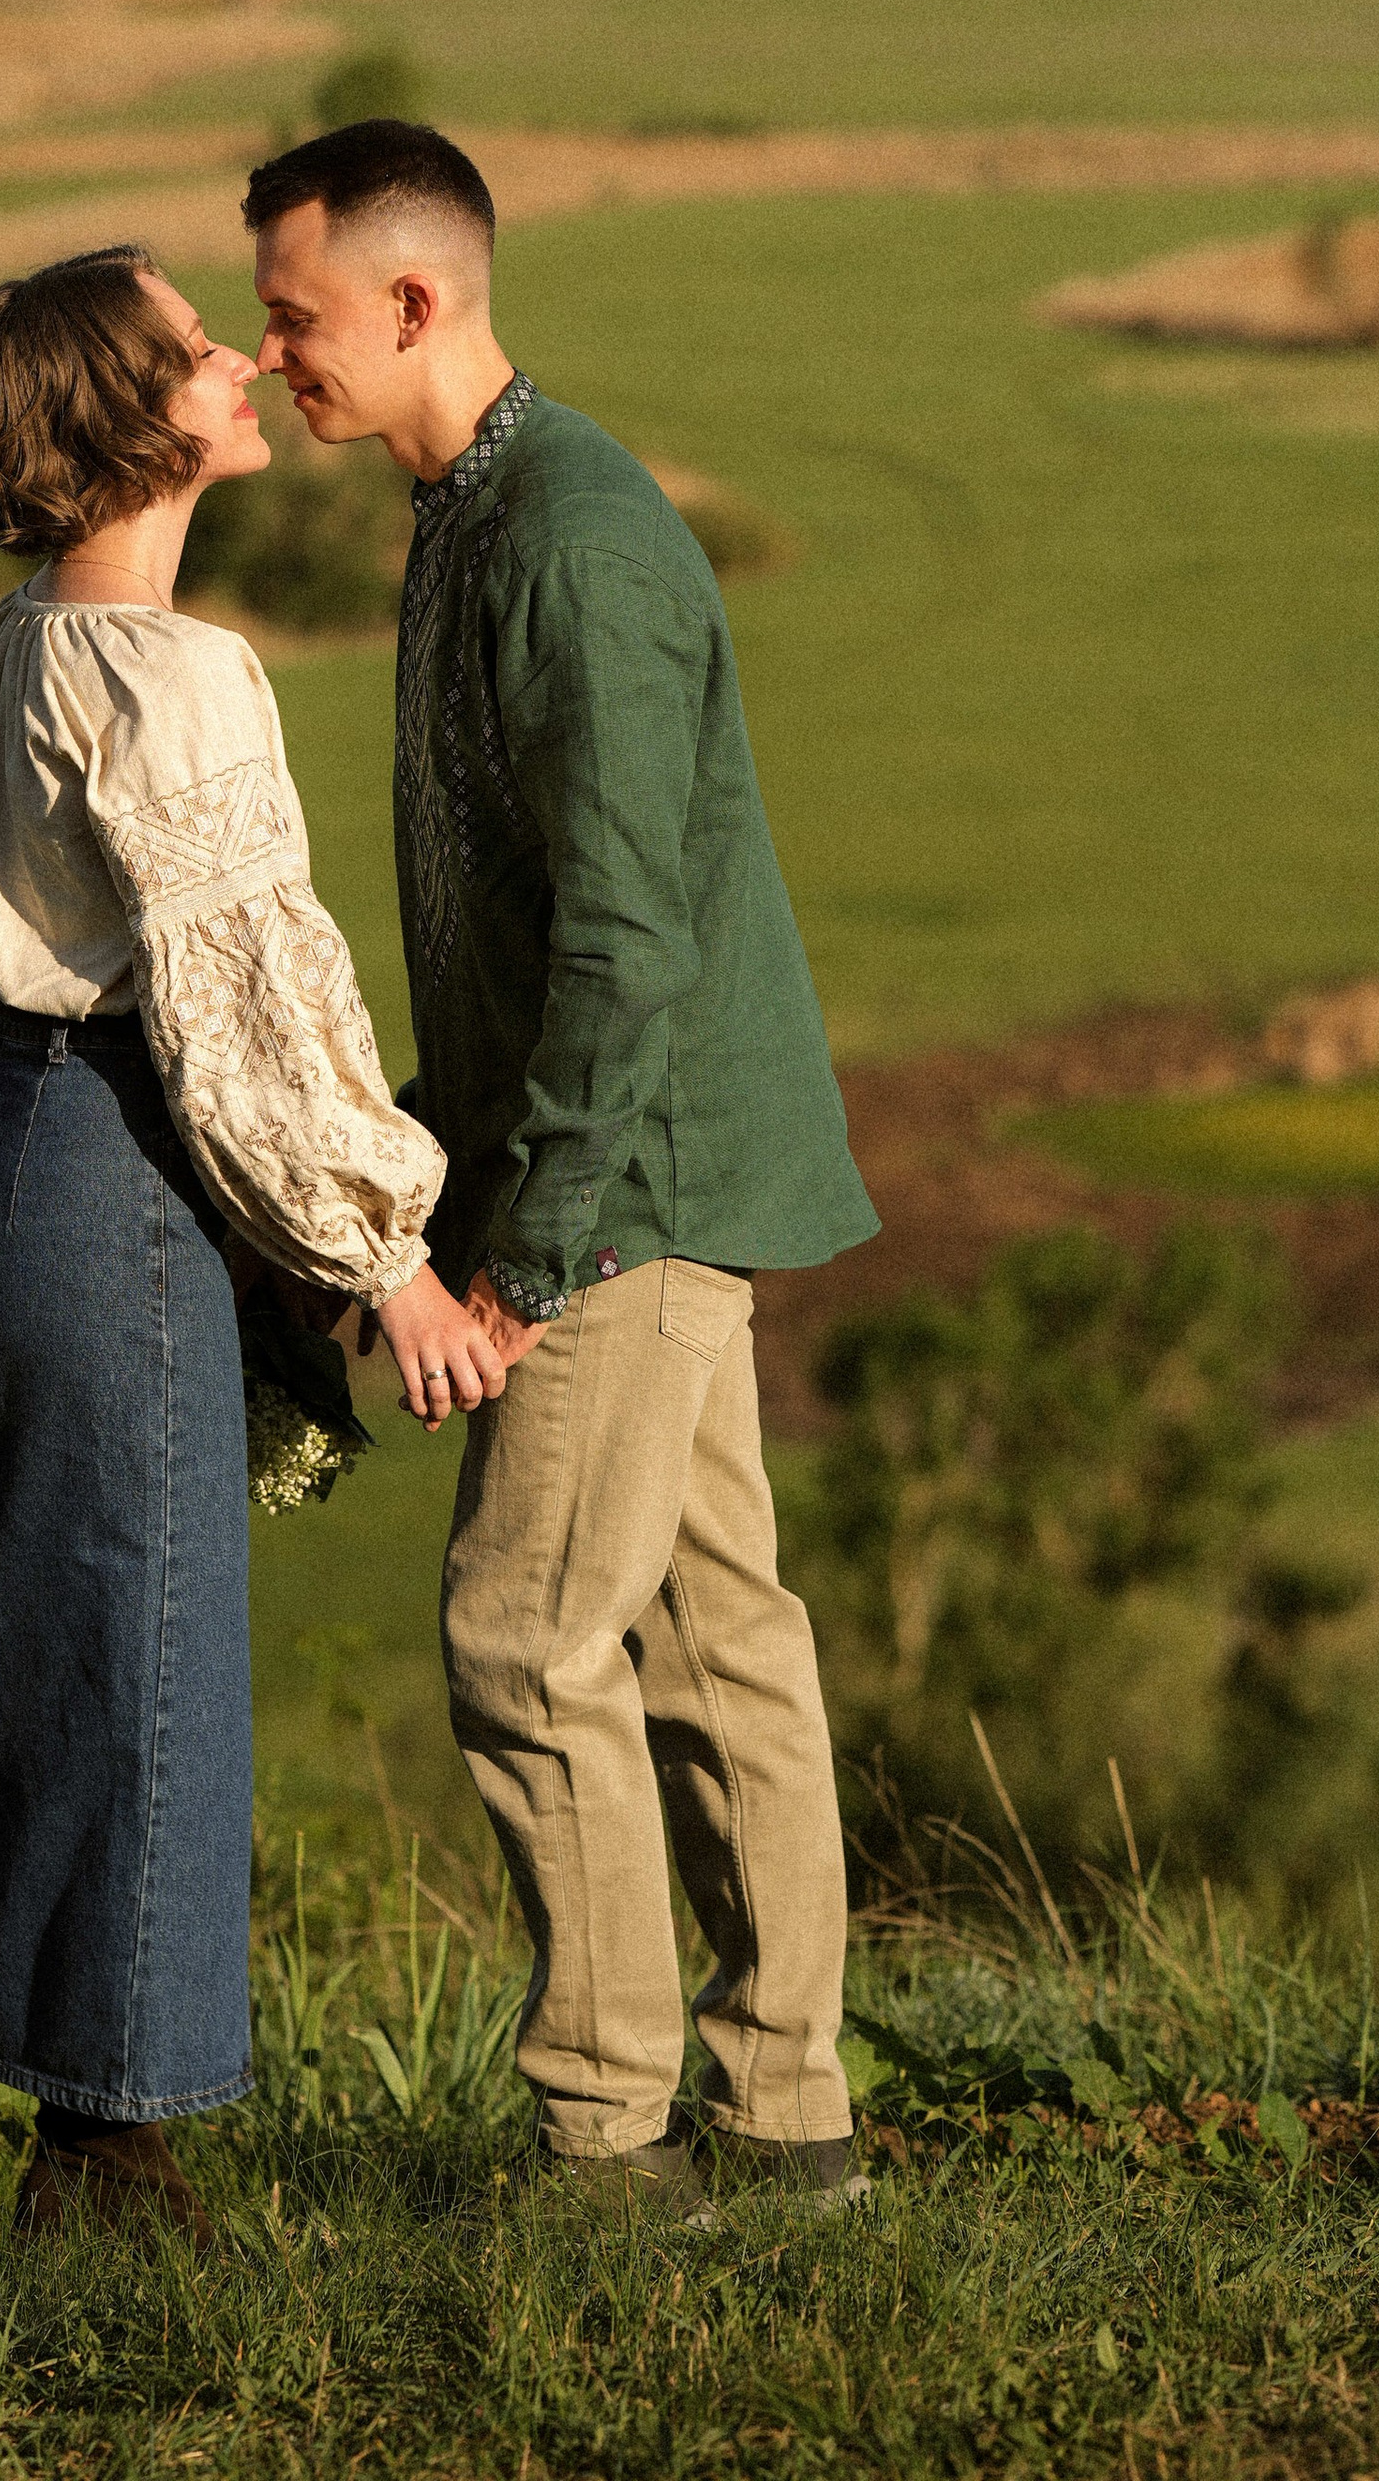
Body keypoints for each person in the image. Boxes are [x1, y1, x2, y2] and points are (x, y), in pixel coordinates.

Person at [0, 245, 501, 2259]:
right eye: (191, 347)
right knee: (133, 1647)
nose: (242, 358)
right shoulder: (172, 674)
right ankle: (108, 2163)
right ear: (128, 419)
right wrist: (382, 1253)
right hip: (116, 1160)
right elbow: (245, 1008)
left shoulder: (23, 647)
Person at [245, 123, 880, 2208]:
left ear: (415, 301)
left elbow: (622, 931)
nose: (269, 359)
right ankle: (786, 2133)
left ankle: (604, 2147)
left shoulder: (566, 543)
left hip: (626, 1185)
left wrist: (520, 1253)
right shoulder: (472, 516)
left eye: (294, 316)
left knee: (526, 1641)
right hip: (616, 1162)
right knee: (711, 1645)